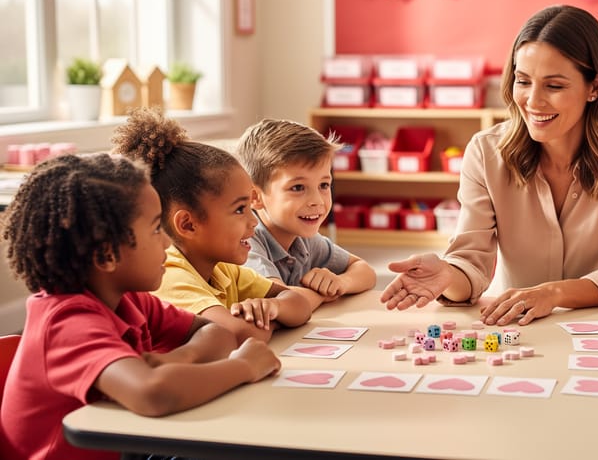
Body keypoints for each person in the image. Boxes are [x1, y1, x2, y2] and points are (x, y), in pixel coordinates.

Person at [381, 4, 598, 326]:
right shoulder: (486, 153)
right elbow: (470, 261)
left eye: (554, 86)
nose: (533, 100)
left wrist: (553, 294)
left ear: (594, 87)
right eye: (523, 81)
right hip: (520, 327)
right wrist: (446, 274)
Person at [0, 154, 281, 460]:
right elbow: (153, 393)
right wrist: (244, 367)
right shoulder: (65, 321)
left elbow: (218, 333)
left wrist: (179, 357)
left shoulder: (130, 299)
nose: (166, 244)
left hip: (131, 444)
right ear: (107, 255)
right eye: (155, 229)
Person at [111, 108, 323, 343]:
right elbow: (239, 334)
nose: (254, 221)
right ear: (188, 225)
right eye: (240, 209)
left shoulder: (222, 268)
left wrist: (272, 308)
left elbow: (299, 304)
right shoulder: (169, 274)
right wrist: (270, 320)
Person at [235, 118, 376, 297]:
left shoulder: (304, 239)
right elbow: (282, 301)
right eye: (298, 188)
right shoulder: (246, 242)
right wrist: (323, 294)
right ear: (255, 197)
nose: (317, 201)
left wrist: (340, 282)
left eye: (324, 185)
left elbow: (365, 271)